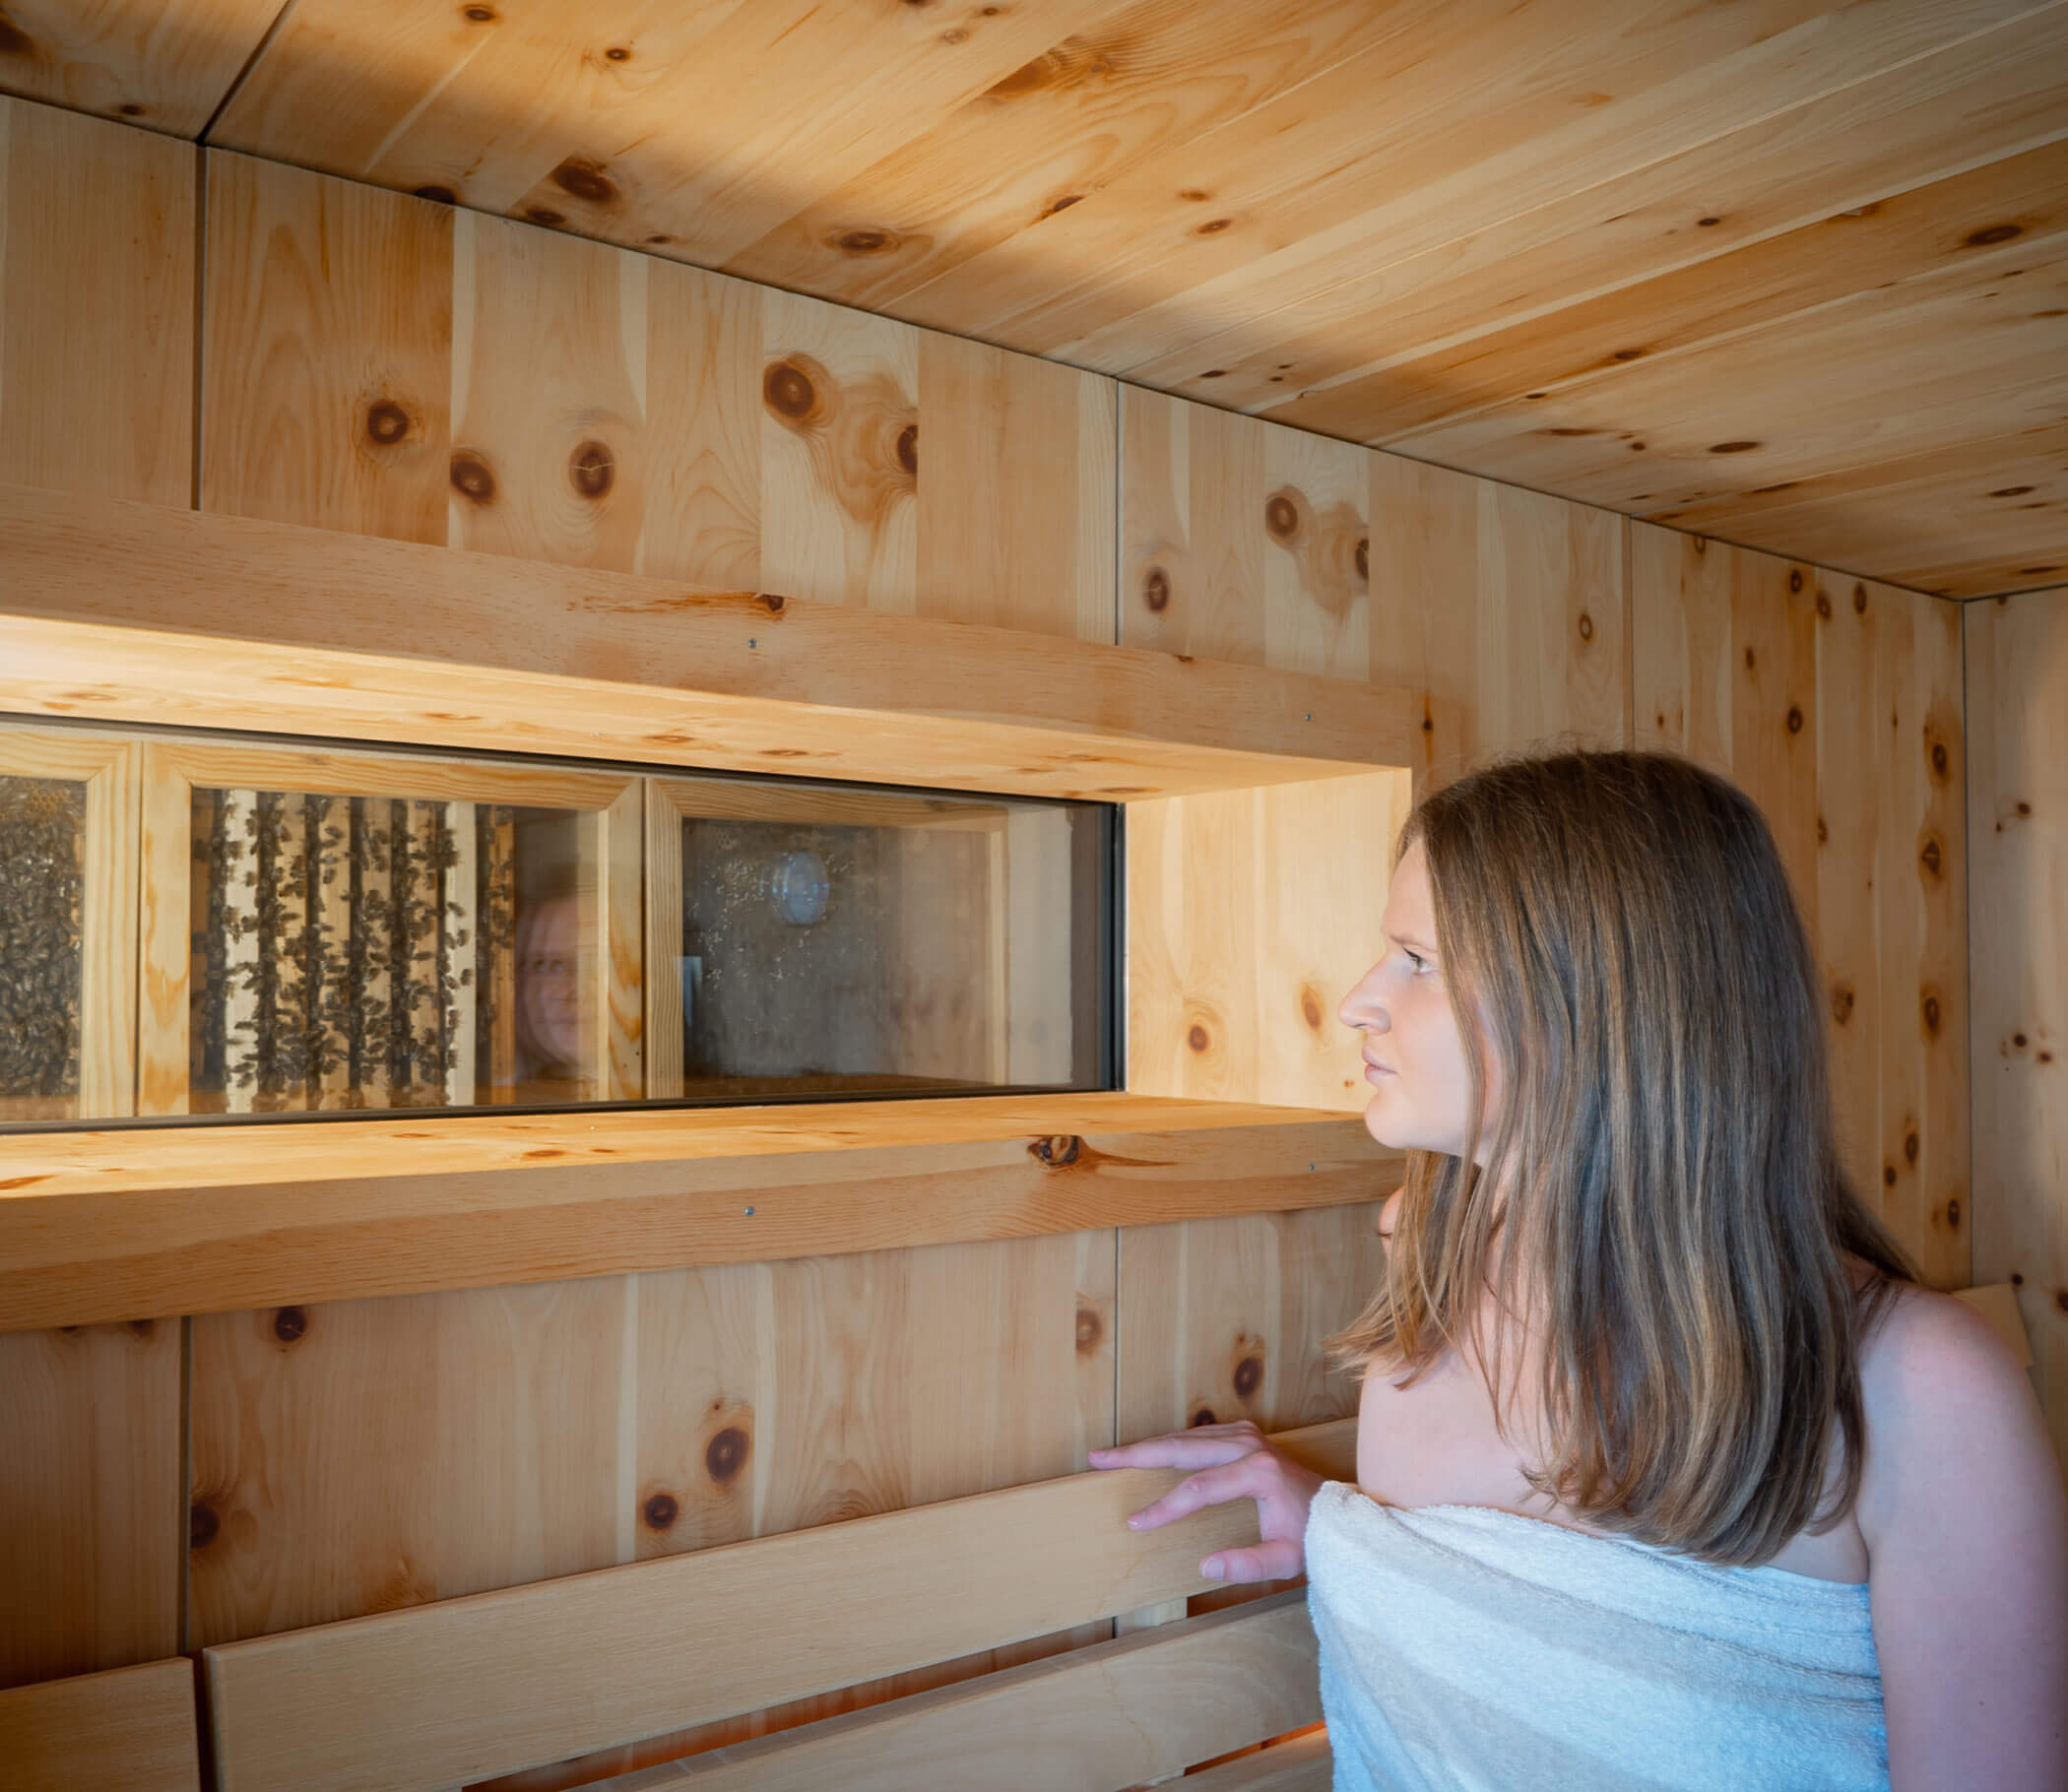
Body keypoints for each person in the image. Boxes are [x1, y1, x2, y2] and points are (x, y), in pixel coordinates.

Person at [1089, 749, 2067, 1791]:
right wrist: (1342, 1527)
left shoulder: (1920, 1387)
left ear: (1594, 1001)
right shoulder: (1424, 1266)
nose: (1358, 1003)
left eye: (1417, 959)